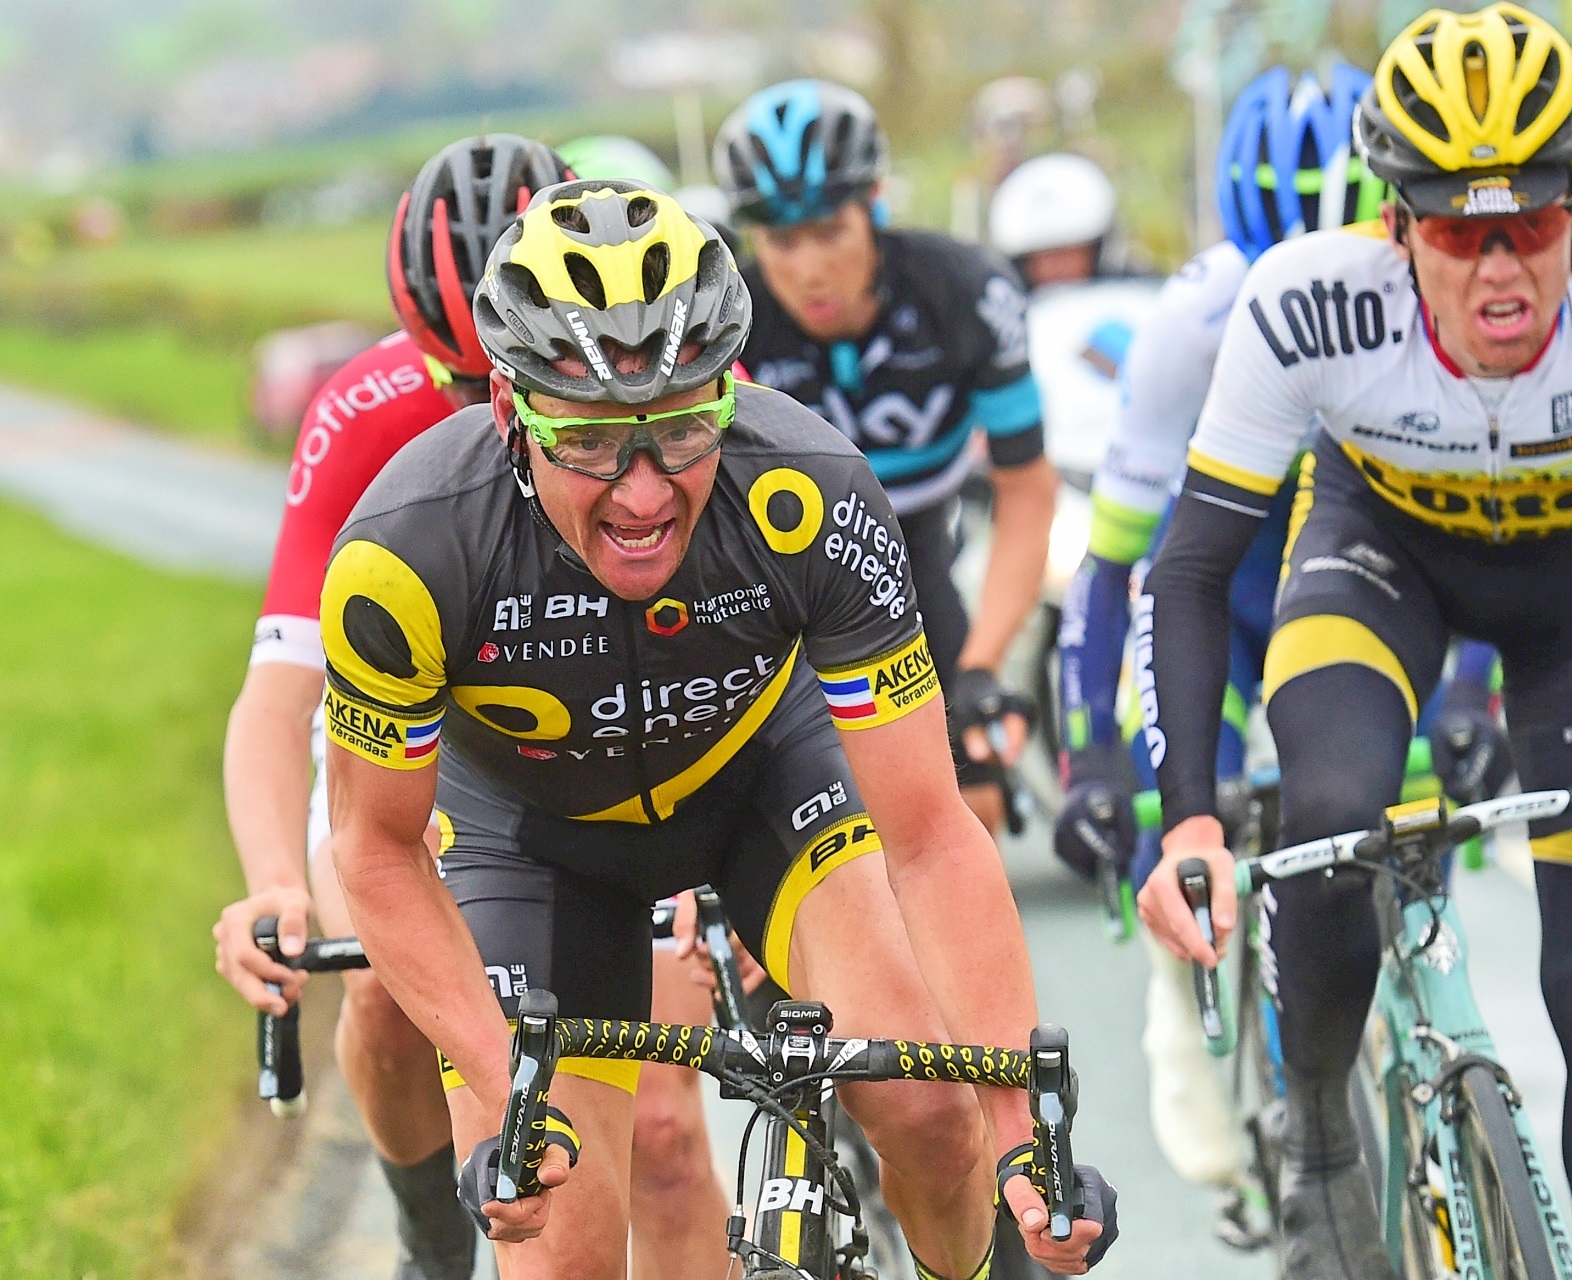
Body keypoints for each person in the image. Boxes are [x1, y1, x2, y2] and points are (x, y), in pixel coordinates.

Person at [317, 180, 1115, 1280]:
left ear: (731, 391)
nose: (643, 493)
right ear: (509, 410)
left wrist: (1022, 1128)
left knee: (934, 1113)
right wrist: (504, 1089)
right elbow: (374, 849)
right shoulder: (409, 554)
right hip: (532, 841)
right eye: (591, 440)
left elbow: (931, 835)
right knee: (557, 1245)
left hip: (762, 783)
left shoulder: (811, 491)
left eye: (684, 429)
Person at [1136, 6, 1572, 1278]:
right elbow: (1189, 572)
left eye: (1530, 224)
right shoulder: (1304, 304)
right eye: (1458, 232)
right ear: (1396, 226)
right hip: (1381, 562)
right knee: (1329, 806)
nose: (1500, 268)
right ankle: (1320, 1128)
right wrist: (1189, 815)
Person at [1049, 61, 1506, 1238]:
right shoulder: (1187, 328)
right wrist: (1094, 758)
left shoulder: (1447, 298)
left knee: (1409, 828)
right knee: (1180, 821)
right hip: (1236, 608)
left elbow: (1495, 540)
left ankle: (1412, 1048)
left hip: (1378, 596)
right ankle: (1213, 1041)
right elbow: (1116, 573)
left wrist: (1475, 690)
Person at [213, 134, 567, 1280]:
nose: (485, 410)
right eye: (457, 382)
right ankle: (430, 1242)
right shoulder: (362, 407)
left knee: (660, 1123)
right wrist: (275, 875)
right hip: (405, 726)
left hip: (584, 727)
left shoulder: (633, 408)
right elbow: (280, 696)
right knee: (379, 983)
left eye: (511, 372)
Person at [711, 79, 1058, 835]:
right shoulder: (728, 316)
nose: (809, 268)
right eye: (781, 241)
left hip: (916, 552)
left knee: (972, 799)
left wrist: (983, 666)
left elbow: (1027, 492)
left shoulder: (964, 292)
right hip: (776, 579)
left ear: (873, 204)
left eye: (829, 230)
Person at [986, 152, 1129, 289]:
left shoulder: (1132, 294)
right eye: (1044, 257)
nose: (1057, 268)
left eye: (1066, 253)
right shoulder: (1009, 303)